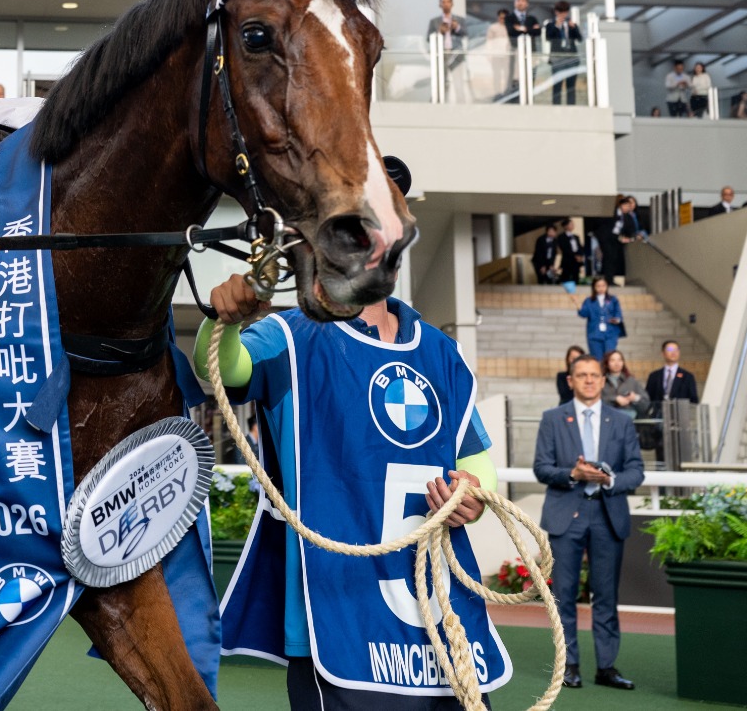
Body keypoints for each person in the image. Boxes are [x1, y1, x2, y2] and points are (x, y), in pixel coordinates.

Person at [201, 224, 508, 708]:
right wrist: (226, 320)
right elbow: (222, 367)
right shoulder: (289, 334)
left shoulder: (440, 350)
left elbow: (473, 458)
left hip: (441, 618)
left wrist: (473, 490)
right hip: (336, 613)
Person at [533, 354, 644, 691]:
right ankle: (569, 666)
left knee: (606, 594)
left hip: (608, 515)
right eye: (581, 375)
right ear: (570, 381)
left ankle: (606, 667)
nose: (589, 380)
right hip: (566, 515)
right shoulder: (553, 419)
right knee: (564, 595)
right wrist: (573, 474)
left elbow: (636, 471)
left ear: (603, 380)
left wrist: (609, 480)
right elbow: (542, 468)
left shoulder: (621, 421)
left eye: (594, 375)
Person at [575, 276, 625, 360]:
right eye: (598, 286)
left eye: (603, 285)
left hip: (610, 333)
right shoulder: (589, 301)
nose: (601, 288)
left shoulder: (613, 300)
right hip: (594, 334)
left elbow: (618, 313)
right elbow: (583, 314)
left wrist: (617, 319)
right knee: (597, 359)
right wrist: (577, 304)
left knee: (609, 358)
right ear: (594, 287)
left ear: (607, 286)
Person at [545, 0, 583, 105]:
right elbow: (548, 37)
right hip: (557, 59)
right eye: (560, 12)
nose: (563, 14)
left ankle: (571, 108)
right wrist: (557, 26)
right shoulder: (550, 24)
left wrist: (574, 28)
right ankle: (556, 108)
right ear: (556, 12)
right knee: (557, 86)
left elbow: (580, 38)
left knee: (571, 87)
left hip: (571, 58)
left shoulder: (572, 25)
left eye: (565, 12)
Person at [598, 194, 640, 284]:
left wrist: (632, 237)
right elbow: (604, 228)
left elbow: (631, 230)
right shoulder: (611, 213)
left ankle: (610, 278)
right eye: (626, 206)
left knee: (614, 258)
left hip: (617, 240)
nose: (627, 208)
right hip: (607, 238)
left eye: (628, 206)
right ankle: (608, 279)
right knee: (609, 257)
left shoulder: (627, 217)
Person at [557, 218, 586, 293]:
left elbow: (580, 247)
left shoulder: (576, 237)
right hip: (568, 259)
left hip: (576, 261)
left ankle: (576, 291)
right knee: (566, 275)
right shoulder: (561, 237)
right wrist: (574, 256)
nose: (573, 226)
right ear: (565, 226)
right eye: (571, 224)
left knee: (576, 275)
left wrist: (580, 256)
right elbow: (564, 248)